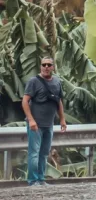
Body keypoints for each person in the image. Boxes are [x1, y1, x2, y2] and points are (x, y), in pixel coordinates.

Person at [21, 55, 66, 186]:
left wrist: (62, 119)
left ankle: (41, 179)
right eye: (44, 64)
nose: (46, 67)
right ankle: (32, 181)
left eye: (49, 65)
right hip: (36, 125)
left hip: (49, 124)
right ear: (40, 66)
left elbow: (59, 101)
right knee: (34, 153)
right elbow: (25, 101)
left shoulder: (57, 82)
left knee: (44, 154)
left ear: (53, 67)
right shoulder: (33, 81)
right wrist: (31, 120)